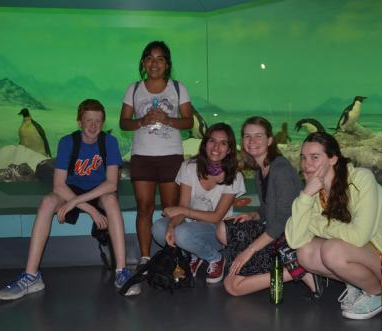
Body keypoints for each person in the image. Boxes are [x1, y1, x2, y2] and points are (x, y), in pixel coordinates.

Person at [0, 99, 136, 300]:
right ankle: (31, 275)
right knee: (47, 202)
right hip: (71, 189)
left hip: (98, 190)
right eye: (88, 120)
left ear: (103, 123)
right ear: (79, 122)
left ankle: (121, 271)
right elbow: (59, 185)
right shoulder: (68, 142)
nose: (93, 125)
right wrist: (89, 209)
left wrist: (76, 202)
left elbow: (111, 184)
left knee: (111, 201)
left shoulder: (109, 142)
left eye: (98, 121)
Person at [285, 132, 382, 323]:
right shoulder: (314, 192)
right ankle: (357, 284)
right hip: (360, 255)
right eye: (303, 157)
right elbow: (294, 240)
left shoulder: (361, 179)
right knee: (305, 253)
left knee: (331, 249)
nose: (307, 164)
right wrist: (305, 196)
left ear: (333, 158)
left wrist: (319, 224)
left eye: (315, 157)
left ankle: (375, 293)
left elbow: (359, 236)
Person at [217, 116, 318, 297]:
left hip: (289, 241)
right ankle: (276, 265)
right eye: (247, 136)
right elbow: (268, 208)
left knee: (232, 285)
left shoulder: (280, 170)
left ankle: (297, 270)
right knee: (224, 228)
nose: (252, 141)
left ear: (270, 140)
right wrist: (253, 214)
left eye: (258, 136)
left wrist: (249, 251)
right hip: (275, 233)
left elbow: (284, 219)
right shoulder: (261, 170)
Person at [120, 41, 193, 271]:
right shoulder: (133, 89)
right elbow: (123, 122)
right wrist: (142, 121)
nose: (154, 63)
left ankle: (172, 255)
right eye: (150, 58)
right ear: (143, 62)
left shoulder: (178, 88)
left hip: (171, 156)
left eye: (160, 59)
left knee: (172, 207)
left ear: (167, 64)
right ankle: (145, 258)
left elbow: (189, 121)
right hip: (142, 156)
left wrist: (167, 119)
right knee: (144, 207)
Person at [152, 123, 245, 284]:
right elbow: (183, 205)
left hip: (215, 231)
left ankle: (215, 258)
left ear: (229, 149)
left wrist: (182, 213)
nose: (216, 147)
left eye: (223, 143)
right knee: (158, 228)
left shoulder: (235, 177)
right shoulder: (189, 167)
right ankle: (194, 254)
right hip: (189, 226)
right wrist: (171, 226)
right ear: (205, 143)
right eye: (212, 141)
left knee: (182, 234)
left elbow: (216, 217)